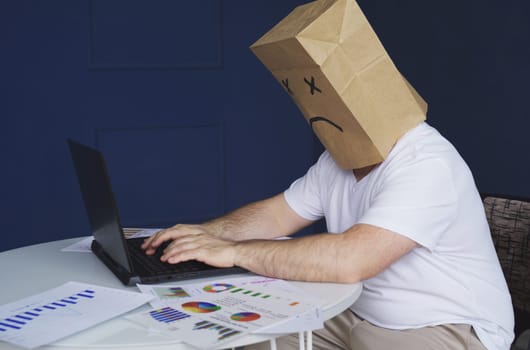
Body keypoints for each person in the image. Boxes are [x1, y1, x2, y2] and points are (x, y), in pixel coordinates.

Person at [142, 1, 514, 349]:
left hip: (447, 328)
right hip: (353, 313)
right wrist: (206, 234)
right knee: (244, 339)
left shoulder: (427, 165)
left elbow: (351, 260)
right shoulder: (339, 160)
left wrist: (233, 252)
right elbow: (274, 216)